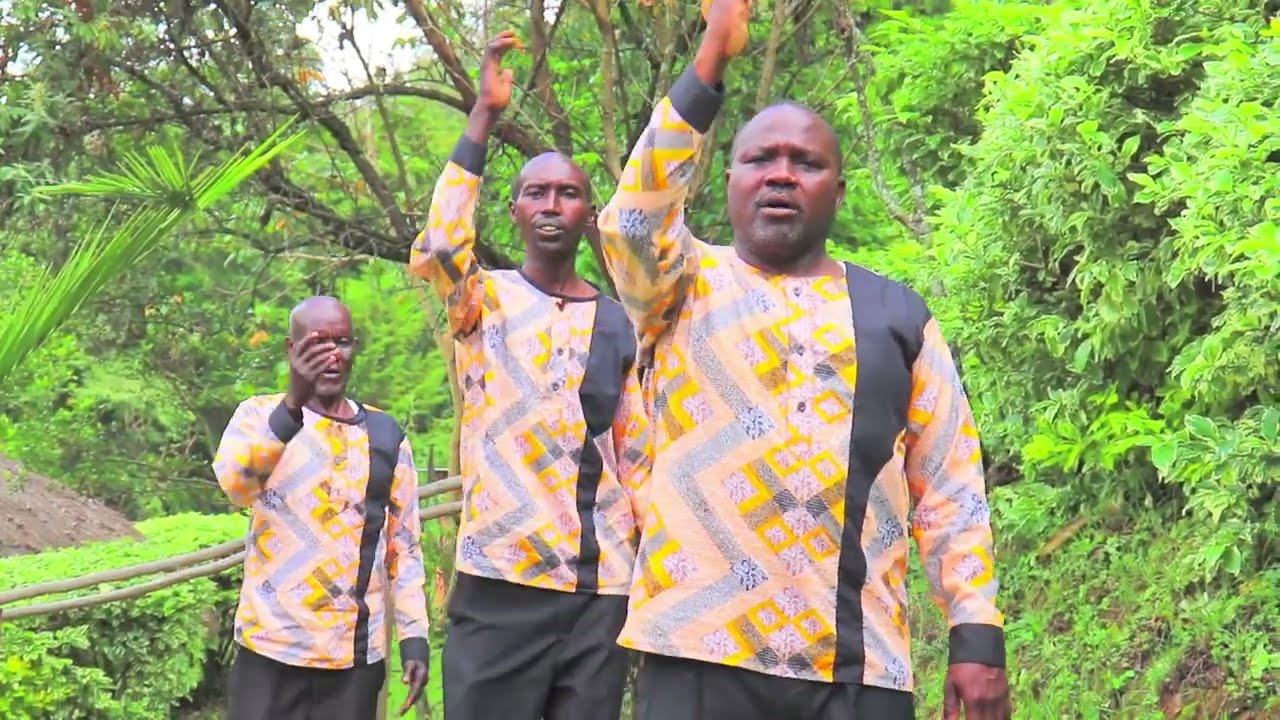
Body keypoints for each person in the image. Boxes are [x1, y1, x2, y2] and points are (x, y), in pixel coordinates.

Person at [594, 2, 1013, 719]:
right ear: (725, 181)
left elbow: (950, 484)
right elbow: (632, 220)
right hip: (695, 652)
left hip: (858, 665)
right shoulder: (678, 286)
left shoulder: (899, 316)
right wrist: (711, 63)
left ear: (837, 190)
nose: (782, 174)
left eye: (807, 163)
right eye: (761, 159)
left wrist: (976, 633)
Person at [409, 31, 651, 720]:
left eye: (569, 194)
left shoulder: (617, 323)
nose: (552, 205)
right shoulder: (479, 302)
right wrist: (483, 114)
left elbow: (637, 459)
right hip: (497, 579)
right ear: (514, 211)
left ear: (589, 215)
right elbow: (441, 242)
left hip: (598, 588)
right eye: (536, 193)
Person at [213, 296, 430, 720]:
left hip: (351, 662)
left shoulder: (385, 435)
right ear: (290, 351)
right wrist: (291, 406)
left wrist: (414, 636)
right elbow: (236, 486)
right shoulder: (259, 417)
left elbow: (403, 547)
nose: (332, 355)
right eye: (317, 344)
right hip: (268, 651)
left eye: (343, 342)